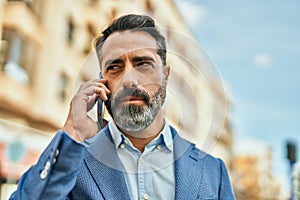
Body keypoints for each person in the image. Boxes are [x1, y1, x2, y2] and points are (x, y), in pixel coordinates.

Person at [9, 14, 235, 200]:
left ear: (165, 75)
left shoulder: (213, 172)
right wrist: (73, 132)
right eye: (115, 67)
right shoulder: (72, 160)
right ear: (101, 81)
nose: (129, 79)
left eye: (143, 63)